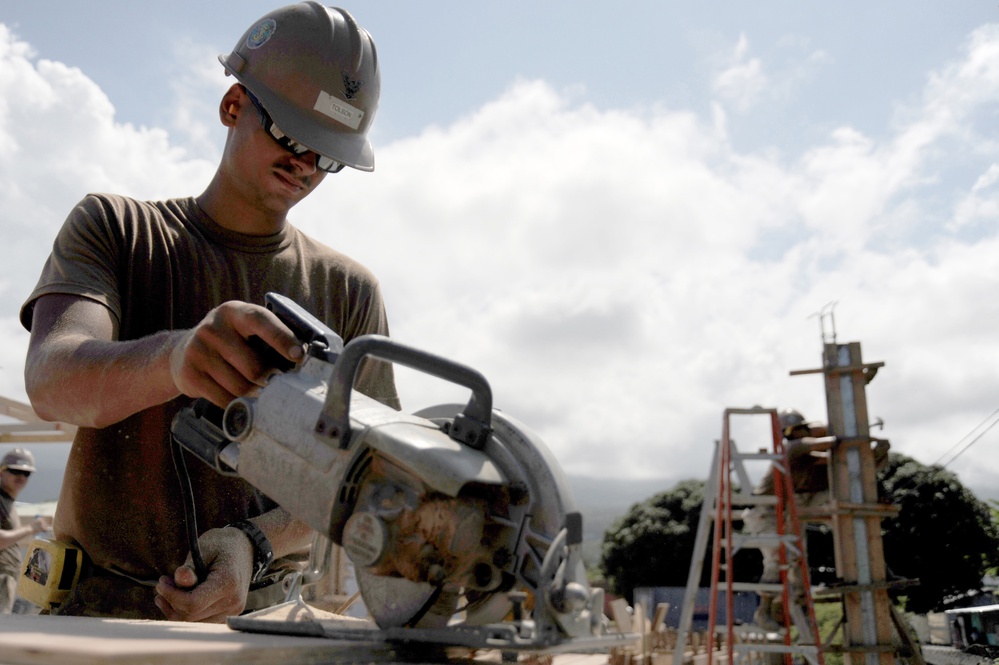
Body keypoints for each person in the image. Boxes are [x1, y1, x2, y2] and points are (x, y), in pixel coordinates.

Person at [19, 2, 399, 622]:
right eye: (293, 136)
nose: (305, 164)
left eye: (328, 155)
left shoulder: (349, 293)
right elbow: (53, 382)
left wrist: (255, 544)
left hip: (259, 625)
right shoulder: (118, 230)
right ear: (233, 107)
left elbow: (368, 481)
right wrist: (173, 358)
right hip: (96, 617)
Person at [0, 449, 52, 614]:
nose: (21, 477)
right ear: (2, 472)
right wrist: (31, 528)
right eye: (15, 471)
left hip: (7, 577)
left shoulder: (8, 502)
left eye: (26, 473)